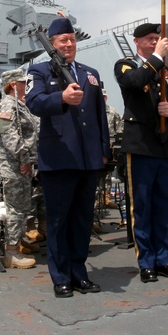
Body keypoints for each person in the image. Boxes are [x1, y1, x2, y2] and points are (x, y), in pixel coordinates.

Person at [26, 17, 110, 298]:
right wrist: (60, 97)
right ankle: (61, 276)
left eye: (72, 39)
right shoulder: (39, 70)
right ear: (52, 44)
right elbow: (34, 102)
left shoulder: (90, 73)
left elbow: (100, 116)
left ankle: (79, 273)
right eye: (63, 40)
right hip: (59, 157)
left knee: (83, 219)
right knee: (59, 221)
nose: (69, 44)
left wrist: (104, 151)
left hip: (88, 159)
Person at [115, 22, 168, 282]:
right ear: (136, 42)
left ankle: (164, 258)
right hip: (141, 146)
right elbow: (135, 83)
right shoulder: (126, 65)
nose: (154, 41)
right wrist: (156, 57)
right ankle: (146, 261)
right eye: (149, 39)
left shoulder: (166, 70)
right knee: (142, 206)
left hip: (166, 145)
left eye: (157, 38)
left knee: (164, 205)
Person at [0, 69, 38, 269]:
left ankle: (18, 243)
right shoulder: (7, 106)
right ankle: (11, 252)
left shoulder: (19, 105)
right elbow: (8, 135)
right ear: (13, 84)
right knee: (14, 207)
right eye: (22, 82)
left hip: (21, 163)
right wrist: (23, 158)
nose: (24, 85)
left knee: (22, 206)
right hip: (13, 164)